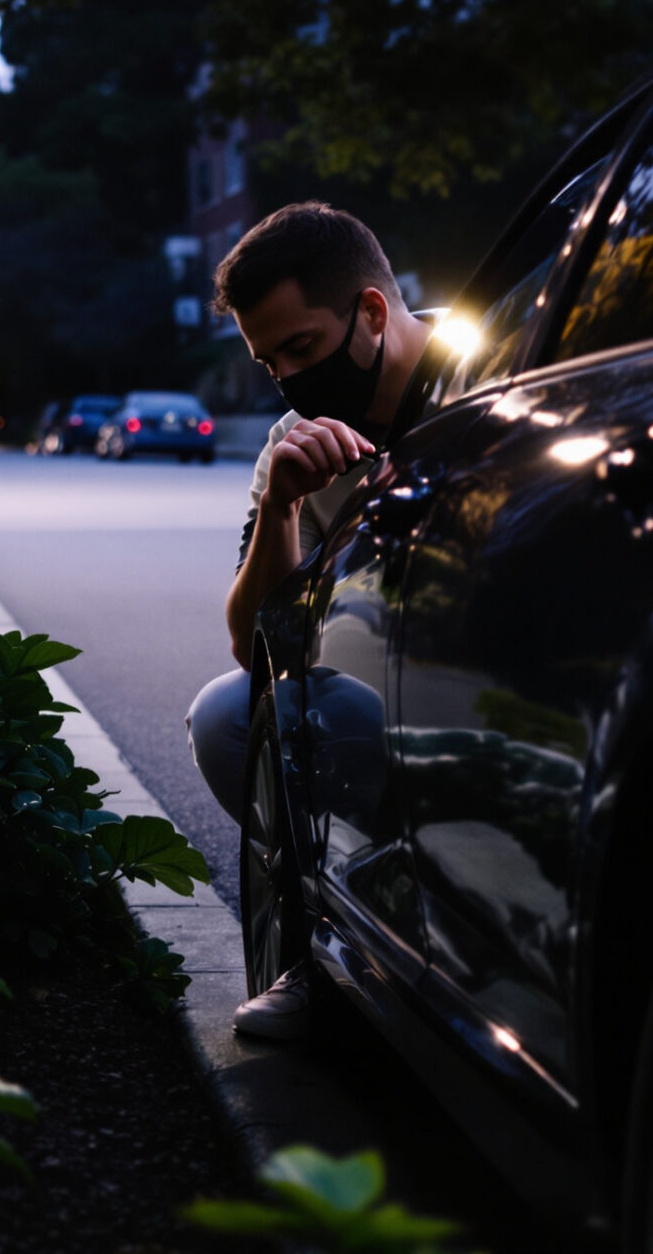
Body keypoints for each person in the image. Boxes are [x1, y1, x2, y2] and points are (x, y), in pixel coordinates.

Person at [185, 201, 445, 1041]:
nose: (292, 380)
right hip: (380, 708)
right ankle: (327, 939)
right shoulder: (293, 440)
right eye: (270, 364)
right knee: (229, 711)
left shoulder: (486, 379)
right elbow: (245, 641)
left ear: (372, 312)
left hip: (483, 692)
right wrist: (283, 503)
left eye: (302, 348)